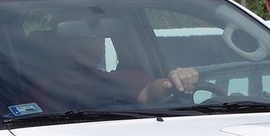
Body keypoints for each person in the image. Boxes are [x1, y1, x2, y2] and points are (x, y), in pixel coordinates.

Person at [27, 30, 199, 111]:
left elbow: (150, 92)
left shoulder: (122, 79)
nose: (90, 44)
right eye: (77, 35)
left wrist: (175, 80)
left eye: (96, 36)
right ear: (57, 43)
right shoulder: (39, 89)